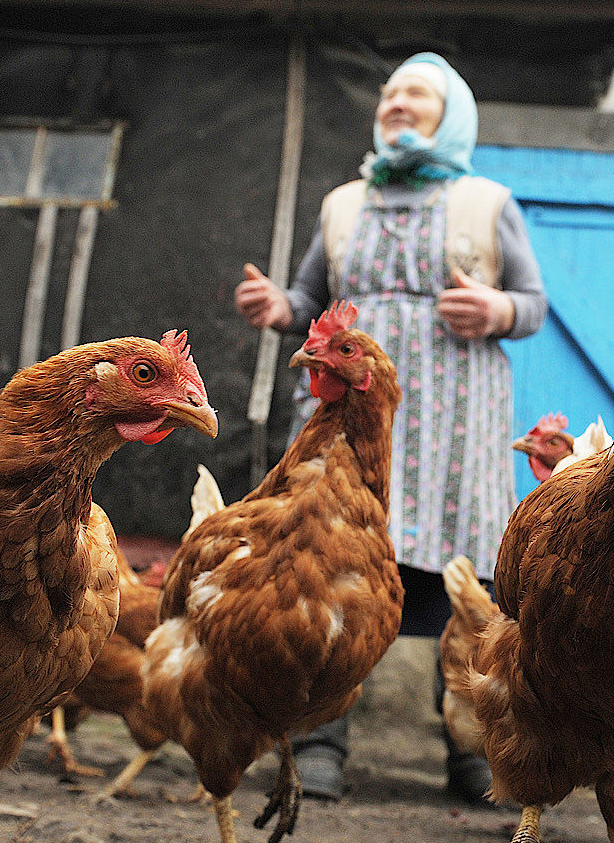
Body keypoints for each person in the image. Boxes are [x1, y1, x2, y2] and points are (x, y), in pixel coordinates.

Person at [234, 52, 547, 804]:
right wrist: (280, 309)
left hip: (455, 416)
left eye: (416, 94)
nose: (397, 104)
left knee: (466, 576)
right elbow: (310, 295)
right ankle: (317, 743)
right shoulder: (344, 203)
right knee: (327, 557)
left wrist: (498, 310)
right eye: (389, 94)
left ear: (453, 114)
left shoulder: (486, 200)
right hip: (353, 414)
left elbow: (533, 303)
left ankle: (473, 752)